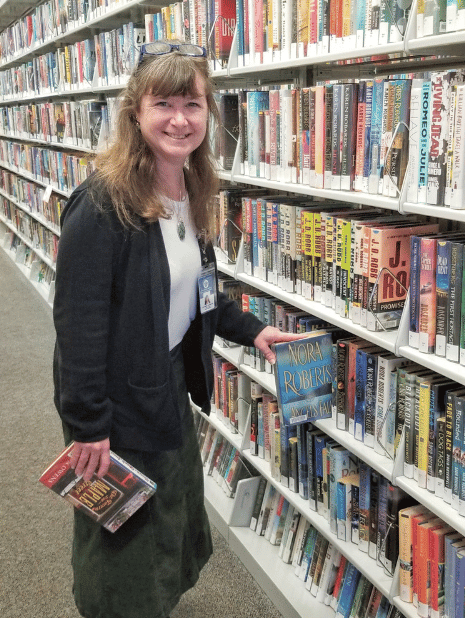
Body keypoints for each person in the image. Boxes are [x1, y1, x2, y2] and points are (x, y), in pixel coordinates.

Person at [52, 40, 302, 618]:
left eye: (192, 104)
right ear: (135, 112)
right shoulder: (102, 205)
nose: (179, 119)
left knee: (164, 520)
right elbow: (78, 327)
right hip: (118, 401)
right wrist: (87, 425)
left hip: (166, 384)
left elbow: (197, 293)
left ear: (209, 113)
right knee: (120, 536)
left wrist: (254, 332)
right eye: (163, 103)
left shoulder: (192, 191)